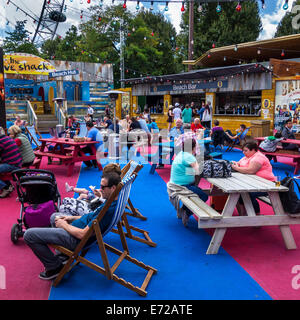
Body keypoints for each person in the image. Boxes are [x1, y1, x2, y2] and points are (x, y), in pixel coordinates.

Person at [23, 171, 121, 280]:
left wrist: (64, 225)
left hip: (75, 238)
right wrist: (70, 218)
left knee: (29, 235)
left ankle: (54, 266)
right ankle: (63, 255)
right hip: (77, 228)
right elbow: (91, 217)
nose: (100, 189)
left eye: (103, 186)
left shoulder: (107, 210)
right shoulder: (113, 201)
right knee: (54, 216)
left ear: (113, 188)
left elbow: (83, 234)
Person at [168, 138, 208, 227]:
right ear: (193, 147)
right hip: (182, 186)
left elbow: (189, 170)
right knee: (204, 195)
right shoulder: (189, 156)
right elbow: (198, 171)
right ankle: (187, 212)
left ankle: (183, 210)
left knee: (197, 190)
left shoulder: (181, 154)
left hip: (175, 183)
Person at [231, 141, 276, 216]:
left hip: (267, 184)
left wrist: (236, 168)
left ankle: (256, 214)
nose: (243, 152)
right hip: (253, 183)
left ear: (254, 150)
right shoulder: (248, 156)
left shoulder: (258, 158)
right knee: (237, 191)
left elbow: (250, 170)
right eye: (243, 150)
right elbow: (239, 163)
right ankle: (243, 214)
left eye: (246, 150)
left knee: (247, 193)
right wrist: (236, 164)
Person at [0, 127, 22, 198]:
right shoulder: (8, 138)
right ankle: (9, 185)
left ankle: (5, 188)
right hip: (17, 162)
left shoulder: (1, 141)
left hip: (12, 164)